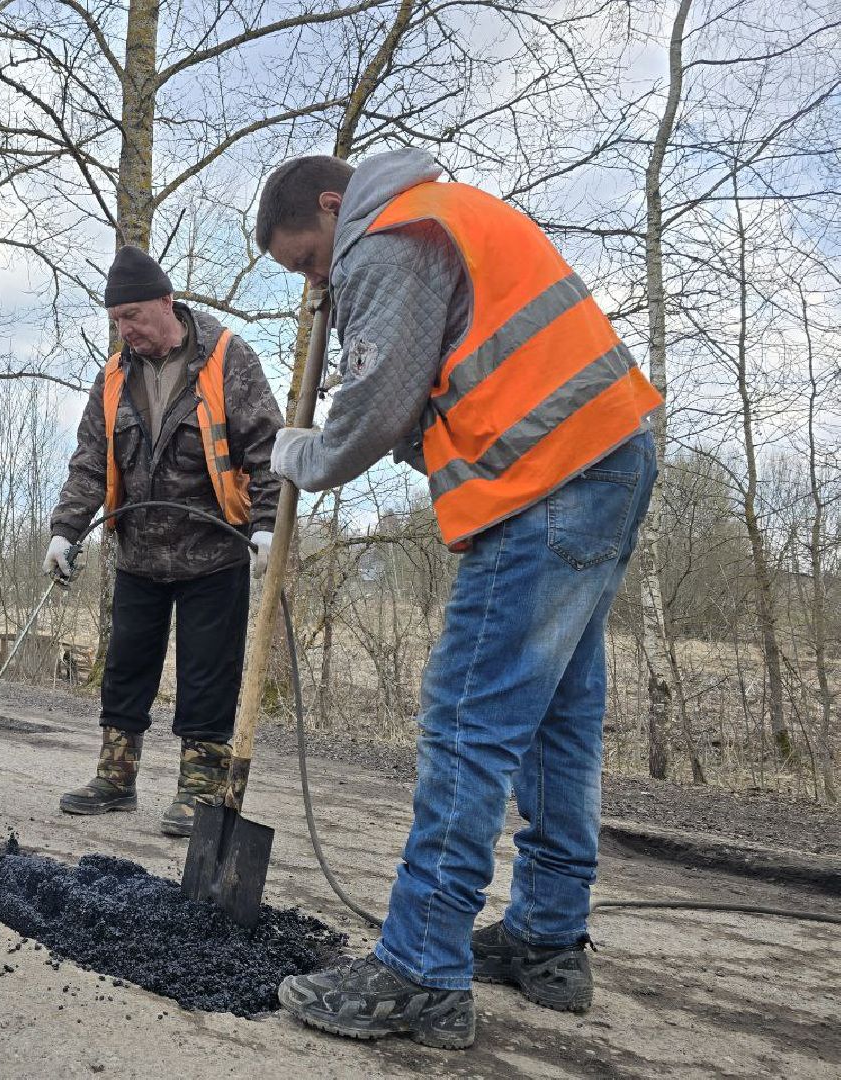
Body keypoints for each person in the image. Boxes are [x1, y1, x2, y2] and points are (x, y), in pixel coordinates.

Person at [255, 150, 661, 1049]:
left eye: (306, 262)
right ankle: (546, 940)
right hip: (608, 456)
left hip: (545, 482)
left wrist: (301, 452)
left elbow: (375, 408)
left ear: (334, 206)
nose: (314, 284)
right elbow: (440, 399)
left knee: (468, 720)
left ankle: (421, 972)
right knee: (556, 720)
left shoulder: (391, 233)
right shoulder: (450, 213)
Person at [46, 245, 283, 837]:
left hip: (214, 549)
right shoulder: (114, 377)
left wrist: (266, 526)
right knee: (126, 667)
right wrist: (65, 529)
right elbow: (89, 462)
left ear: (166, 303)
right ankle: (115, 777)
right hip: (139, 551)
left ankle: (201, 791)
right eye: (116, 320)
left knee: (208, 673)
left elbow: (266, 450)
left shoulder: (228, 358)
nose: (126, 330)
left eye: (134, 316)